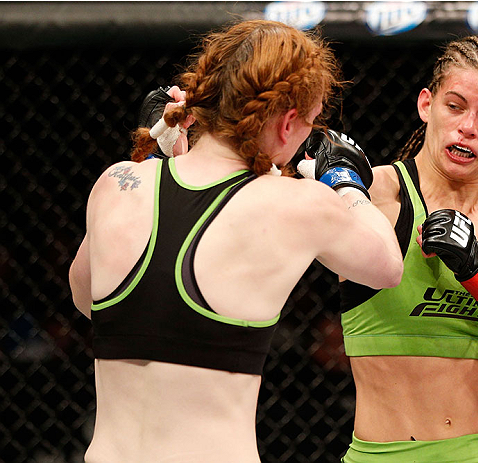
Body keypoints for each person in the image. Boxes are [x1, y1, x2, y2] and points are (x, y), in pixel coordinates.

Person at [68, 20, 403, 463]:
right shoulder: (297, 203)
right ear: (287, 124)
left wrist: (168, 155)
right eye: (311, 121)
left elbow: (86, 298)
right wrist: (345, 182)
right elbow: (386, 266)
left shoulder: (118, 181)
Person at [338, 35, 478, 462]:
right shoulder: (371, 194)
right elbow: (257, 217)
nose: (468, 127)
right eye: (455, 106)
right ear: (427, 105)